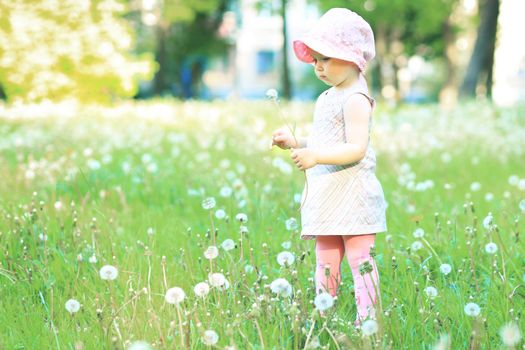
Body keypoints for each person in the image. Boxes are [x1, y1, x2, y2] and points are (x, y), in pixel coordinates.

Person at [271, 8, 387, 326]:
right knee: (325, 258)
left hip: (353, 193)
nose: (319, 67)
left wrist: (316, 156)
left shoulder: (355, 98)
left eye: (327, 59)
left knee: (361, 259)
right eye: (316, 60)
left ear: (353, 58)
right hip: (327, 194)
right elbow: (327, 137)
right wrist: (297, 142)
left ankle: (368, 321)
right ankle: (325, 315)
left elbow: (356, 148)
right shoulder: (331, 95)